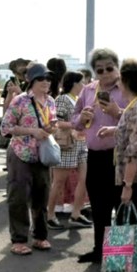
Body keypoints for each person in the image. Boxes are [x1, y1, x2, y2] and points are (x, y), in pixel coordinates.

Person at [97, 60, 137, 272]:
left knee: (135, 229)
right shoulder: (136, 105)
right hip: (136, 178)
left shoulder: (136, 106)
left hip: (136, 180)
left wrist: (127, 185)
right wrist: (114, 130)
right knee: (136, 227)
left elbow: (135, 149)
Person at [72, 49, 128, 263]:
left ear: (117, 66)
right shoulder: (88, 90)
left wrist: (117, 112)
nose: (105, 74)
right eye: (99, 70)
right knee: (98, 205)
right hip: (94, 155)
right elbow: (74, 118)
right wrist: (82, 117)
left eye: (109, 69)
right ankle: (100, 250)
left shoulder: (127, 88)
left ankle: (119, 256)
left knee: (120, 205)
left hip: (119, 157)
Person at [0, 63, 57, 255]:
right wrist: (32, 131)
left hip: (41, 154)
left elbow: (48, 125)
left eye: (48, 78)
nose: (46, 82)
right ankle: (19, 240)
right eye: (41, 78)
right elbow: (5, 127)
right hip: (20, 153)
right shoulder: (20, 101)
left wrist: (50, 129)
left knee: (42, 196)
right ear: (31, 81)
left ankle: (40, 237)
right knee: (18, 197)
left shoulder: (50, 101)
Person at [48, 71, 92, 229]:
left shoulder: (79, 100)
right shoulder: (62, 99)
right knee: (58, 182)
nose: (84, 85)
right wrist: (76, 123)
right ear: (74, 83)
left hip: (81, 143)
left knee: (84, 179)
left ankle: (76, 213)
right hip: (67, 145)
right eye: (82, 82)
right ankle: (50, 214)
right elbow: (56, 122)